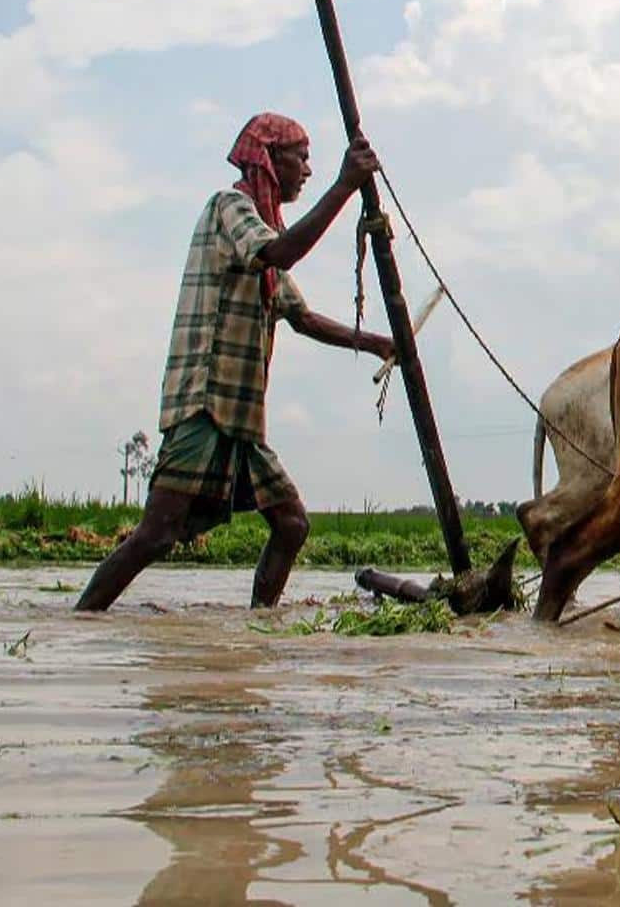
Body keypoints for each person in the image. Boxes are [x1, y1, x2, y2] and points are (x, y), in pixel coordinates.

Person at [77, 113, 394, 611]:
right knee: (157, 535)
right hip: (207, 403)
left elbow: (302, 316)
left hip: (241, 418)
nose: (307, 170)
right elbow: (282, 254)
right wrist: (344, 186)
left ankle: (256, 630)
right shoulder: (231, 208)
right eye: (301, 157)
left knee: (291, 525)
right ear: (269, 159)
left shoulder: (263, 231)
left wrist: (379, 343)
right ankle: (82, 619)